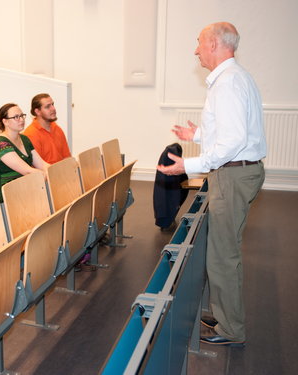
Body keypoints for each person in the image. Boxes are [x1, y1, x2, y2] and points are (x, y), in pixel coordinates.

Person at [157, 22, 266, 346]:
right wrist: (199, 136)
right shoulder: (234, 78)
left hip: (233, 174)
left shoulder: (229, 82)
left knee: (222, 255)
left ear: (215, 44)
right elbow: (235, 130)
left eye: (199, 43)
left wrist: (189, 165)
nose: (196, 50)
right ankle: (223, 314)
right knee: (222, 250)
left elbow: (233, 141)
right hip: (236, 171)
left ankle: (231, 328)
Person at [0, 103, 49, 201]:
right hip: (7, 190)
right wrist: (46, 174)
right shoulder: (0, 144)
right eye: (16, 117)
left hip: (24, 184)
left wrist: (54, 171)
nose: (21, 119)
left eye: (22, 116)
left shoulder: (24, 139)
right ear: (5, 121)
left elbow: (41, 164)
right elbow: (27, 170)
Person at [23, 93, 71, 164]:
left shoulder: (56, 128)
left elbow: (67, 157)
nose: (53, 109)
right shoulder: (31, 134)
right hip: (46, 173)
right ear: (37, 112)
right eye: (48, 107)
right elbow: (38, 167)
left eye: (53, 104)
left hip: (62, 172)